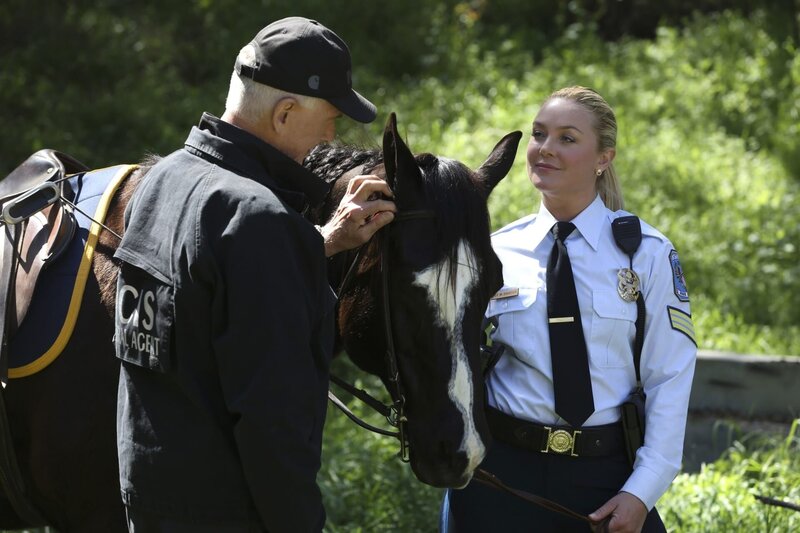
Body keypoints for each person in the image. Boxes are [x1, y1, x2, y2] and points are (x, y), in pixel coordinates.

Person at [113, 17, 396, 532]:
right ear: (285, 113)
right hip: (231, 512)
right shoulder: (258, 220)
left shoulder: (164, 179)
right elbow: (272, 425)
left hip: (151, 495)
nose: (333, 135)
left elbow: (204, 300)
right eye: (330, 117)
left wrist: (319, 242)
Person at [442, 86, 697, 532]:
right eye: (540, 134)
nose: (545, 149)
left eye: (567, 138)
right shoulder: (495, 250)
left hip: (605, 480)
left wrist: (642, 490)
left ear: (604, 158)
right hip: (500, 477)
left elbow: (670, 376)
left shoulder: (647, 254)